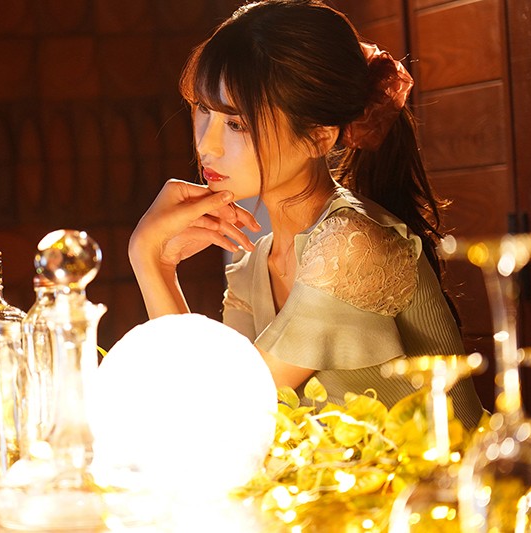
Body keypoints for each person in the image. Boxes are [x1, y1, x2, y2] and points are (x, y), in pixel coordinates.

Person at [128, 0, 484, 427]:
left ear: (318, 137)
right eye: (204, 110)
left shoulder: (351, 246)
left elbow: (222, 411)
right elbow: (207, 408)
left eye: (236, 124)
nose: (207, 144)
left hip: (451, 472)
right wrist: (161, 264)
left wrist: (147, 256)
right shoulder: (254, 263)